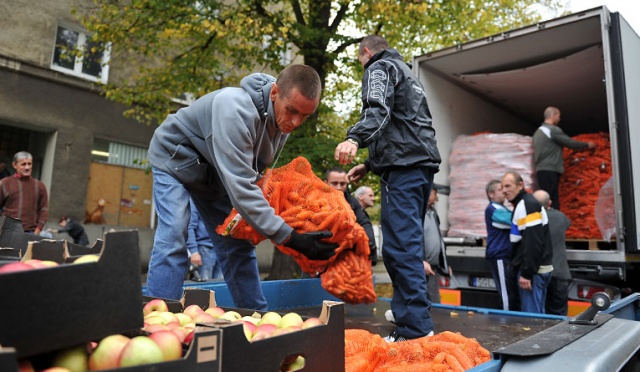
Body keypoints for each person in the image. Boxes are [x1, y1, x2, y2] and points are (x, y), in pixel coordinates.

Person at [146, 64, 338, 308]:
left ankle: (256, 316)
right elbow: (241, 187)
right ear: (274, 92)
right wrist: (289, 237)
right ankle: (158, 315)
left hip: (213, 175)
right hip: (175, 159)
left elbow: (255, 176)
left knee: (237, 242)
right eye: (292, 111)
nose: (295, 122)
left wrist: (294, 221)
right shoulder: (233, 108)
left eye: (304, 116)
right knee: (175, 232)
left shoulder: (281, 119)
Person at [334, 35, 441, 342]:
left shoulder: (379, 68)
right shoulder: (408, 73)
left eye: (359, 59)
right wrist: (370, 165)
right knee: (409, 242)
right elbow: (404, 126)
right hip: (421, 166)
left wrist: (354, 139)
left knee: (399, 247)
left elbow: (378, 110)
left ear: (366, 52)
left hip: (404, 170)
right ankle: (407, 308)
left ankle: (415, 329)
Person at [501, 171, 553, 314]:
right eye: (502, 187)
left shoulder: (526, 205)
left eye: (508, 186)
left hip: (533, 273)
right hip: (537, 270)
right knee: (538, 316)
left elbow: (532, 241)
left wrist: (527, 273)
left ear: (520, 185)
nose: (504, 191)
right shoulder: (524, 204)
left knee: (532, 320)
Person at [532, 106, 595, 210]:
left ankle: (547, 221)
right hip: (550, 170)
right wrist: (588, 145)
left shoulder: (537, 133)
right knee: (552, 200)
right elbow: (570, 143)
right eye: (559, 116)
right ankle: (554, 223)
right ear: (553, 115)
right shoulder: (552, 130)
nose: (559, 119)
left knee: (545, 199)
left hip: (541, 170)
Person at [324, 167, 377, 266]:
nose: (339, 187)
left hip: (346, 258)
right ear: (326, 183)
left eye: (343, 184)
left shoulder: (353, 203)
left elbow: (364, 222)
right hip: (319, 257)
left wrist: (369, 243)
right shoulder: (314, 200)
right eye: (334, 183)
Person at [533, 190, 572, 316]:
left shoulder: (531, 219)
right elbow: (568, 224)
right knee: (559, 314)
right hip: (559, 273)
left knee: (540, 314)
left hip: (540, 273)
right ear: (549, 202)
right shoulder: (561, 217)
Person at [484, 179, 519, 311]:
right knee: (506, 294)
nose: (504, 192)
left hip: (504, 255)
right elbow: (513, 220)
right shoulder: (493, 209)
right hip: (499, 255)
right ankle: (506, 321)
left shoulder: (503, 208)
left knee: (510, 291)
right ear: (491, 194)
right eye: (500, 189)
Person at [0, 151, 49, 234]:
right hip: (7, 232)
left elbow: (44, 210)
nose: (27, 167)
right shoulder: (5, 183)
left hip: (30, 233)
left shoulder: (40, 186)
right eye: (23, 164)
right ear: (14, 165)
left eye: (29, 164)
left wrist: (37, 230)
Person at [422, 187, 450, 304]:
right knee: (420, 301)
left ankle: (435, 322)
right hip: (420, 267)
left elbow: (439, 239)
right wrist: (421, 261)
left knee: (435, 303)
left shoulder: (433, 213)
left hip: (432, 268)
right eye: (434, 193)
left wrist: (444, 264)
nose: (436, 196)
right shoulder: (417, 213)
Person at [187, 199, 223, 280]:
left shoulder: (223, 198)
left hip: (222, 250)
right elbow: (189, 226)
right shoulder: (196, 198)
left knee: (221, 287)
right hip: (205, 250)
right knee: (204, 290)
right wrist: (194, 252)